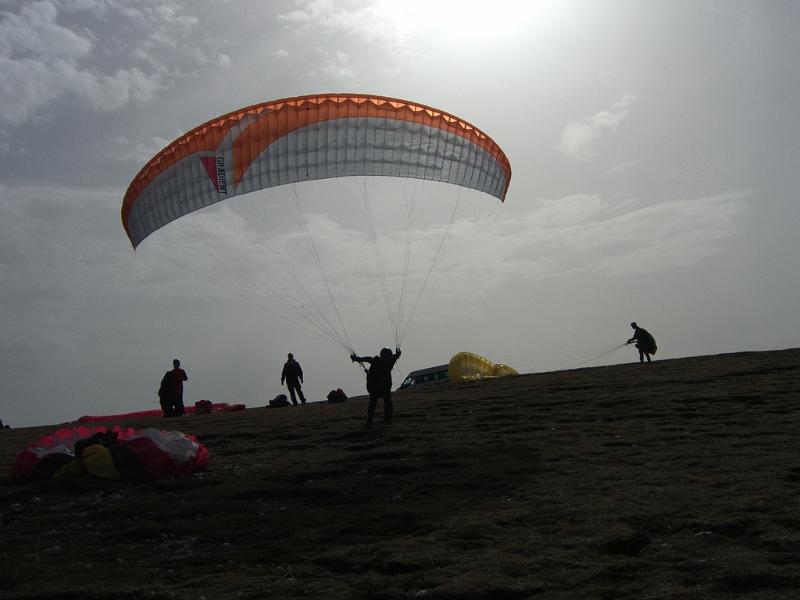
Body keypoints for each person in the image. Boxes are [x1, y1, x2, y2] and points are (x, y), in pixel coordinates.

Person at [351, 347, 401, 427]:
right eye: (385, 358)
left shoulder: (390, 362)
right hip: (375, 388)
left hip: (384, 388)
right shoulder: (376, 360)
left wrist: (398, 354)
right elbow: (367, 359)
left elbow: (395, 357)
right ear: (382, 357)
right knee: (374, 403)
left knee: (388, 403)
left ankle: (387, 420)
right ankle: (370, 420)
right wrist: (357, 359)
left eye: (388, 358)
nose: (386, 360)